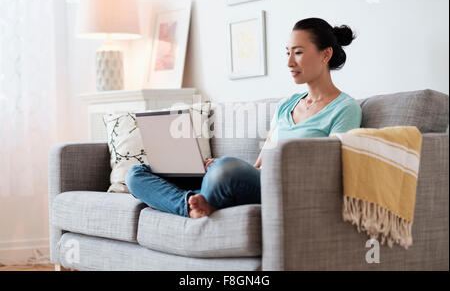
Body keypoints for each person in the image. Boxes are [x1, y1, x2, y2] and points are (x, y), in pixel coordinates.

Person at [125, 17, 362, 219]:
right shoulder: (286, 105)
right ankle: (191, 204)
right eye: (287, 53)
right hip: (255, 180)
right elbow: (258, 165)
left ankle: (204, 197)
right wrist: (216, 166)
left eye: (298, 53)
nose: (289, 62)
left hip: (284, 188)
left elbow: (332, 172)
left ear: (326, 54)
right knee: (137, 174)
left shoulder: (345, 109)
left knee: (226, 168)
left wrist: (226, 167)